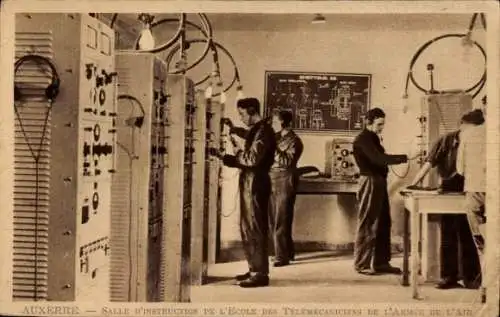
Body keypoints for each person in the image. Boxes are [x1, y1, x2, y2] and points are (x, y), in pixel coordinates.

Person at [409, 114, 481, 289]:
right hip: (449, 189)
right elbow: (428, 164)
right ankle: (448, 276)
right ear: (462, 126)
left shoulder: (479, 141)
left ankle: (471, 278)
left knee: (469, 235)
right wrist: (413, 185)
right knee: (448, 235)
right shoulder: (445, 140)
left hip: (470, 190)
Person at [352, 107, 421, 275]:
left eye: (383, 124)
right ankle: (361, 264)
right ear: (368, 122)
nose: (382, 128)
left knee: (383, 222)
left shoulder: (373, 138)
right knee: (369, 223)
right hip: (370, 181)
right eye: (379, 124)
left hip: (379, 181)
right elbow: (378, 159)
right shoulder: (363, 139)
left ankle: (381, 263)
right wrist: (406, 157)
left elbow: (380, 158)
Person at [219, 98, 276, 288]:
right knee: (247, 227)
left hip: (256, 183)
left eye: (242, 114)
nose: (241, 118)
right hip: (250, 181)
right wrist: (233, 128)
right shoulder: (258, 129)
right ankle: (254, 268)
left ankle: (260, 274)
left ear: (252, 111)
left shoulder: (264, 131)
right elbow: (249, 137)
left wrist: (231, 158)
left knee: (254, 227)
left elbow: (252, 158)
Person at [268, 110, 303, 267]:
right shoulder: (276, 137)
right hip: (273, 179)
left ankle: (281, 257)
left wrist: (272, 148)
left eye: (275, 121)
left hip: (285, 179)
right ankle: (287, 252)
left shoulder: (295, 141)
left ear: (282, 122)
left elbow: (286, 161)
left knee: (281, 219)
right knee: (275, 218)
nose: (272, 124)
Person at [456, 109, 486, 278]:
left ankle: (485, 286)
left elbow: (460, 169)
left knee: (481, 242)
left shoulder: (466, 135)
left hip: (474, 189)